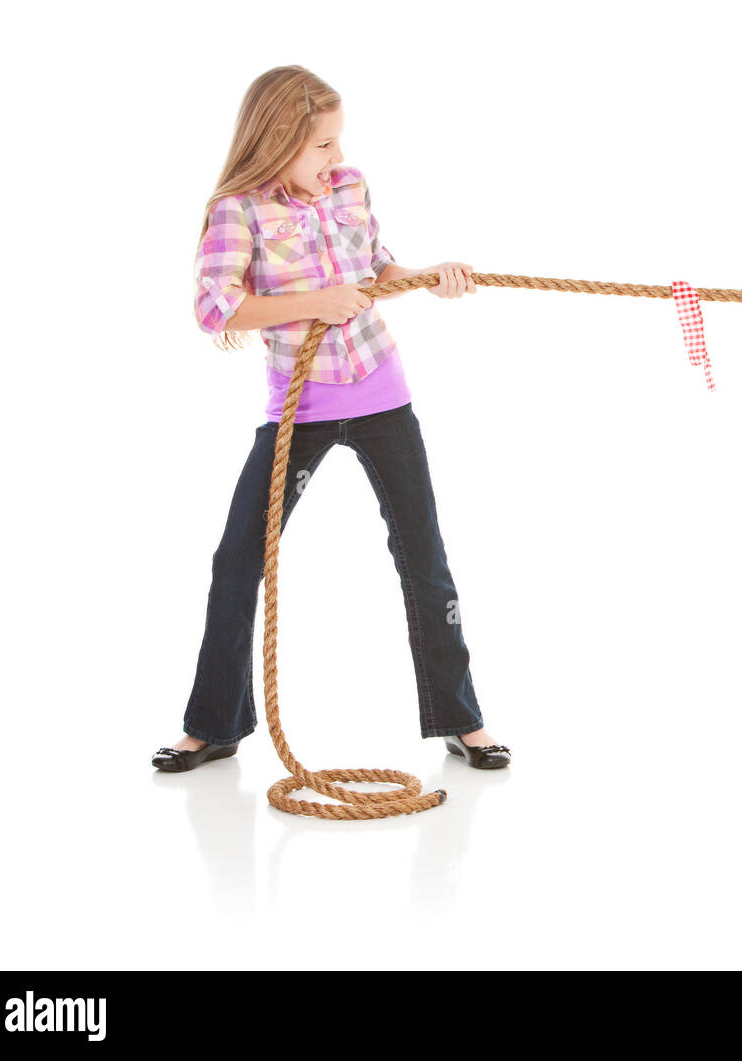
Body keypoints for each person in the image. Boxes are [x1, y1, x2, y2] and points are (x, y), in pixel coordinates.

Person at [153, 66, 509, 773]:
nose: (337, 158)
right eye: (322, 145)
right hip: (300, 405)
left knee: (423, 557)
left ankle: (461, 719)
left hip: (381, 391)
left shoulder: (350, 188)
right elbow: (214, 307)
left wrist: (429, 275)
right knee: (237, 560)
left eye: (338, 142)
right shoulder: (238, 208)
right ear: (279, 140)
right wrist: (314, 301)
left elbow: (376, 271)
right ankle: (213, 722)